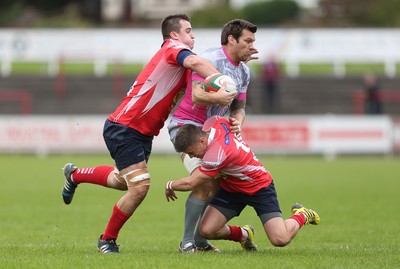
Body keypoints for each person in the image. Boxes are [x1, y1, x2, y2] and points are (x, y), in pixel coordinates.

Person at [59, 14, 236, 254]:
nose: (192, 35)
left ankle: (75, 175)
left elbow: (198, 89)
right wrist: (221, 80)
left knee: (123, 181)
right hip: (125, 126)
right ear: (174, 35)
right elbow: (197, 64)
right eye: (188, 30)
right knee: (140, 187)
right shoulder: (173, 48)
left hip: (142, 133)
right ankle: (106, 240)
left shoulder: (184, 65)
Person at [167, 19, 258, 253]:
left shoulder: (244, 72)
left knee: (216, 185)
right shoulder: (211, 59)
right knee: (203, 179)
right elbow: (197, 95)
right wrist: (218, 98)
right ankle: (187, 242)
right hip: (187, 127)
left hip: (211, 133)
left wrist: (237, 122)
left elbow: (239, 107)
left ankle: (199, 240)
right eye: (247, 40)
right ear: (231, 40)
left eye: (253, 42)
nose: (251, 45)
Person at [165, 115, 320, 251]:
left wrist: (170, 185)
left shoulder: (217, 154)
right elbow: (227, 120)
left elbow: (192, 183)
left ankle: (302, 215)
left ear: (202, 140)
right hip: (232, 189)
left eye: (192, 152)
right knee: (206, 230)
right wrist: (236, 121)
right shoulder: (216, 123)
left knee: (280, 239)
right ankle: (245, 234)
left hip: (259, 187)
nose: (192, 157)